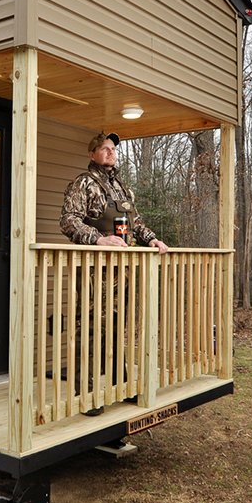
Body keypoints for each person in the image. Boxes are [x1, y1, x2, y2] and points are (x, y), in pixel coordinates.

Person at [59, 132, 169, 416]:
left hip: (124, 268)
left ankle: (120, 384)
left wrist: (153, 239)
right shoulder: (84, 183)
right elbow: (68, 220)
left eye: (113, 149)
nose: (111, 152)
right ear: (92, 154)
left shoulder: (122, 188)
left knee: (118, 324)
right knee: (93, 324)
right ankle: (86, 390)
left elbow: (136, 223)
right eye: (104, 148)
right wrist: (98, 240)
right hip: (96, 269)